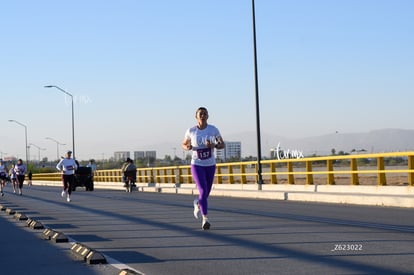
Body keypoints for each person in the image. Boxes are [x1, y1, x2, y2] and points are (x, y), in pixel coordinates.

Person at [181, 107, 225, 230]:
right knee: (202, 189)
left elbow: (222, 144)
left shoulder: (213, 129)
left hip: (210, 164)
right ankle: (205, 219)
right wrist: (187, 147)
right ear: (196, 116)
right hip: (197, 164)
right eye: (200, 114)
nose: (203, 115)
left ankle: (197, 203)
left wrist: (214, 145)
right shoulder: (191, 131)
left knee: (206, 192)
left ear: (208, 116)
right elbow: (183, 144)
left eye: (205, 114)